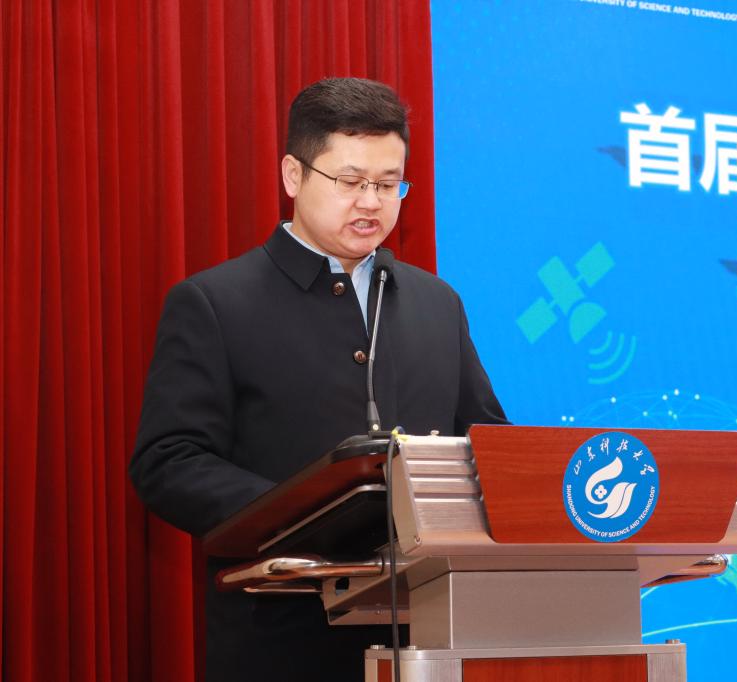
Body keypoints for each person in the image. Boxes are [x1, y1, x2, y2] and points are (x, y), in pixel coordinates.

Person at [129, 77, 508, 681]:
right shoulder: (215, 303)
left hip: (429, 636)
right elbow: (168, 462)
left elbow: (486, 446)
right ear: (293, 176)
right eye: (350, 181)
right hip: (281, 639)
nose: (371, 202)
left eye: (388, 183)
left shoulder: (437, 303)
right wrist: (306, 516)